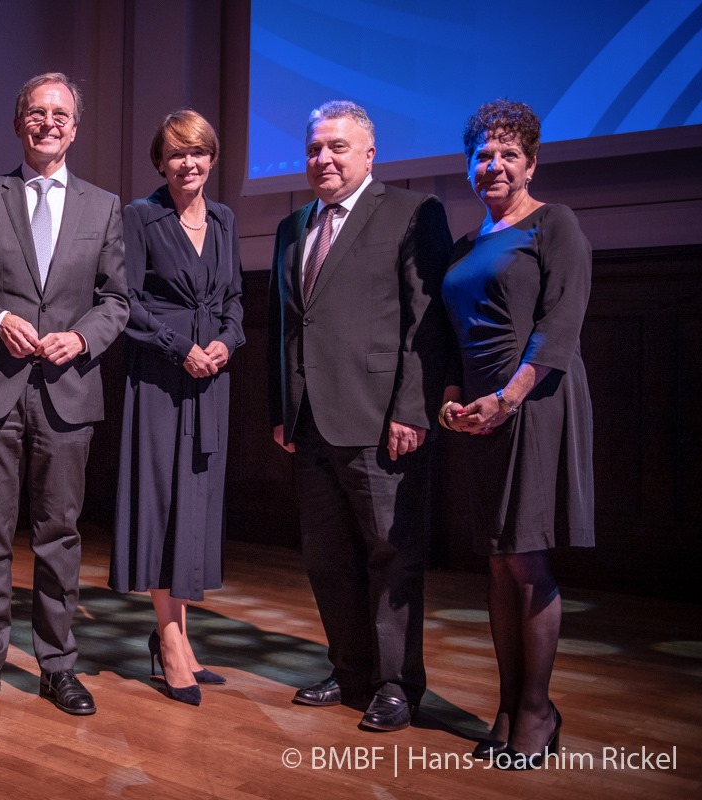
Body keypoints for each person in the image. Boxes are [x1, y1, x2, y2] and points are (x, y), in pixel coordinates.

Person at [0, 72, 129, 717]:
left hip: (67, 390)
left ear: (76, 126)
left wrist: (83, 339)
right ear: (19, 124)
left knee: (59, 531)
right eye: (36, 113)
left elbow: (117, 301)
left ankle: (57, 665)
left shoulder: (104, 206)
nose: (48, 123)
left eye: (60, 114)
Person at [267, 100, 451, 732]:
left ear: (370, 154)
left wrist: (412, 410)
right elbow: (286, 329)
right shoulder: (295, 226)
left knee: (390, 557)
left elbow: (426, 322)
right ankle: (349, 670)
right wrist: (281, 410)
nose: (323, 158)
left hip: (380, 420)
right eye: (315, 147)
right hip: (310, 420)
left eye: (337, 148)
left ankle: (397, 684)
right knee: (326, 557)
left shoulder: (411, 212)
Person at [438, 99, 594, 769]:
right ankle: (507, 706)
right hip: (480, 412)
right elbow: (444, 336)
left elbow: (559, 325)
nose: (492, 164)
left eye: (506, 153)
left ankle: (537, 710)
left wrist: (508, 397)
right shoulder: (466, 245)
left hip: (534, 401)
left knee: (526, 560)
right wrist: (451, 398)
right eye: (482, 154)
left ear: (532, 161)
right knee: (499, 563)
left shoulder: (554, 224)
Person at [110, 110, 244, 706]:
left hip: (210, 380)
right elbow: (124, 303)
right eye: (176, 154)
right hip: (160, 381)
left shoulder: (225, 219)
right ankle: (167, 641)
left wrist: (226, 342)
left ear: (212, 158)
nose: (188, 163)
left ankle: (182, 637)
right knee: (162, 504)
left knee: (196, 506)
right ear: (159, 162)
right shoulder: (140, 217)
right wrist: (178, 347)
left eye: (199, 152)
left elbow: (235, 301)